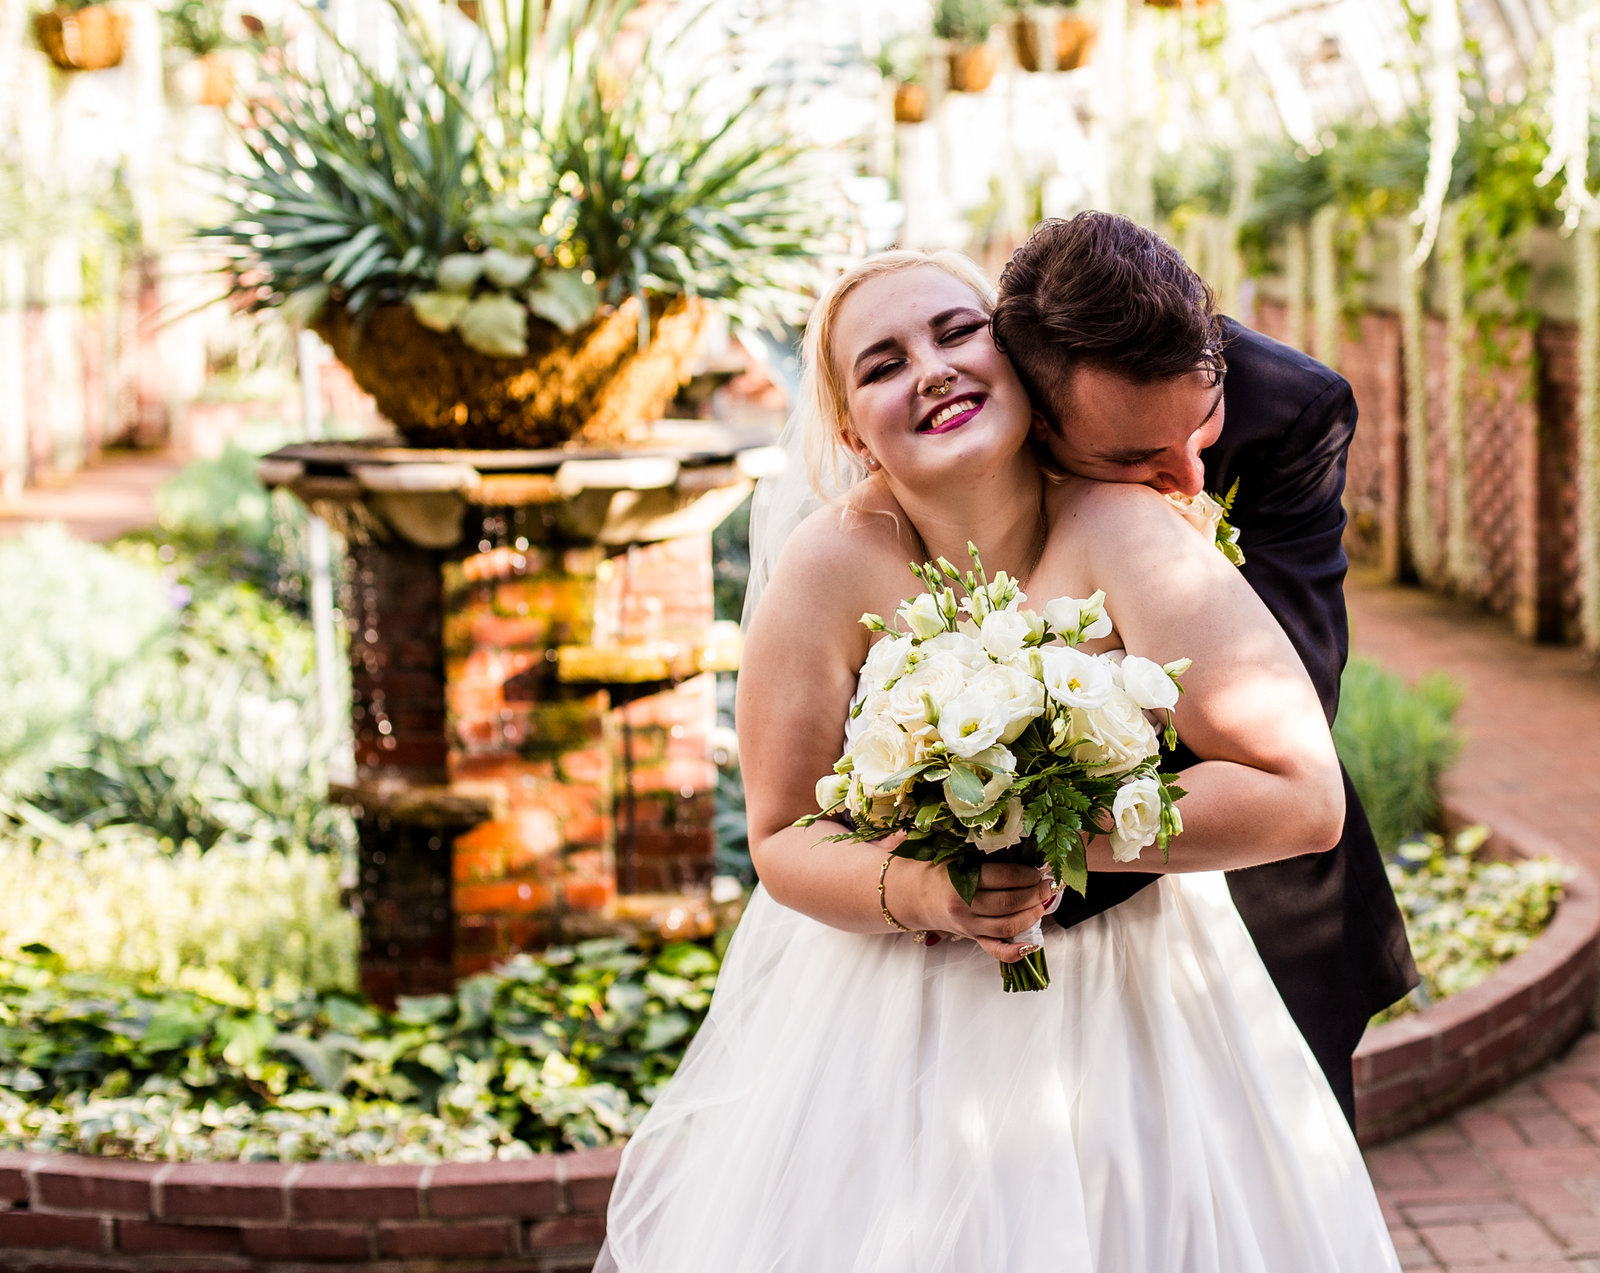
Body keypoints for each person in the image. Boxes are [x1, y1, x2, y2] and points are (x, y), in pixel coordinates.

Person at [593, 249, 1400, 1272]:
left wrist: (1046, 833)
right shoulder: (824, 567)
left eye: (953, 332)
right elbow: (783, 834)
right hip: (891, 1025)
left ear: (1017, 356)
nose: (927, 368)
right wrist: (933, 888)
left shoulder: (1125, 526)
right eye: (880, 364)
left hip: (1137, 1002)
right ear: (847, 427)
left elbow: (1299, 792)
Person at [988, 211, 1417, 1123]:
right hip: (1005, 966)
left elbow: (1291, 688)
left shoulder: (1292, 410)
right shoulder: (983, 437)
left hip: (1260, 901)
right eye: (1136, 459)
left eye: (1204, 421)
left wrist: (1028, 834)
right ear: (1035, 420)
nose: (1189, 479)